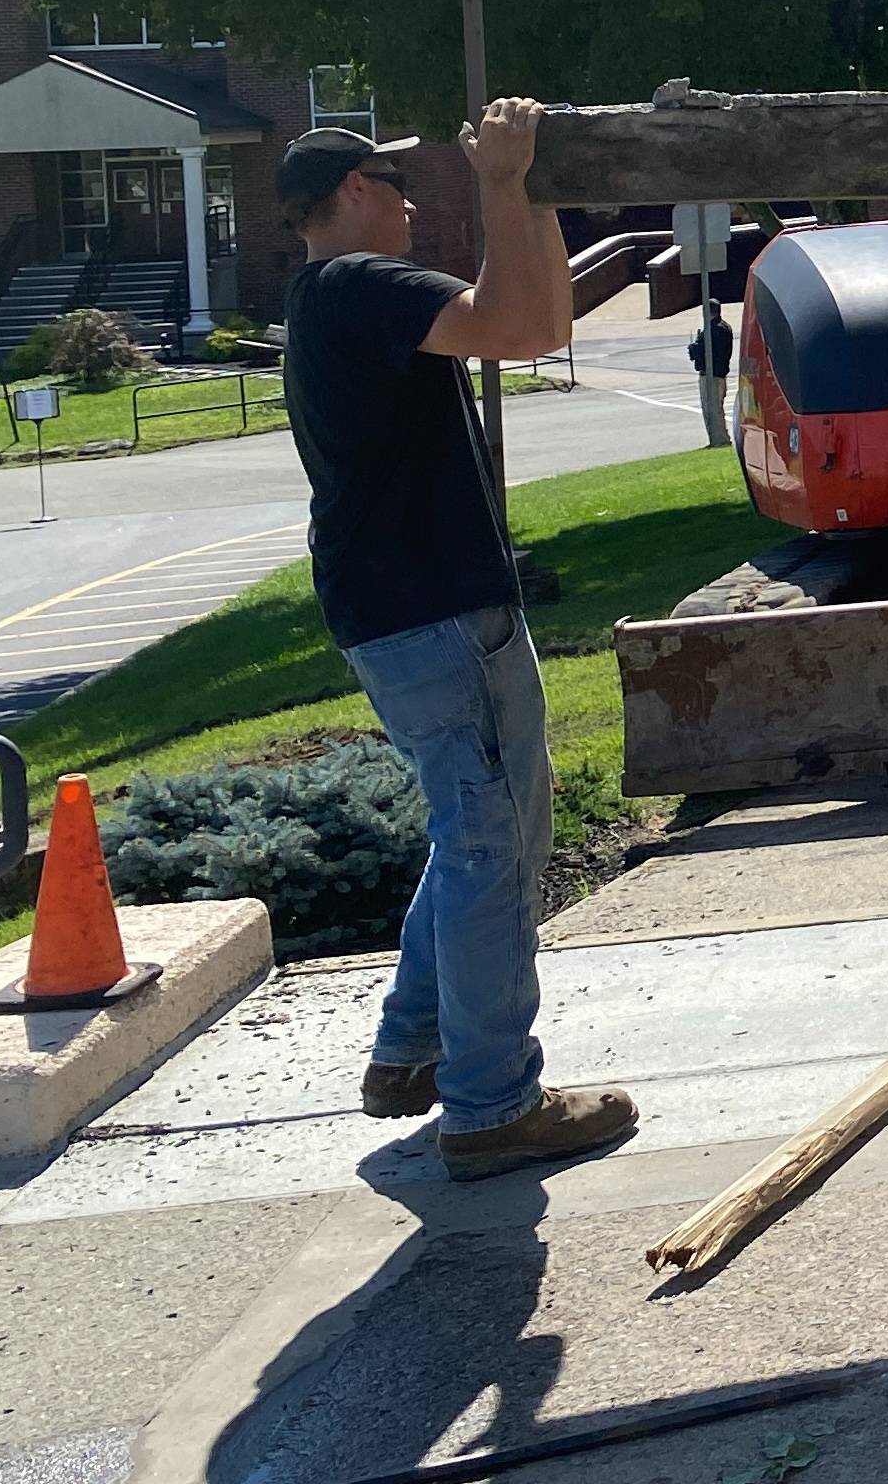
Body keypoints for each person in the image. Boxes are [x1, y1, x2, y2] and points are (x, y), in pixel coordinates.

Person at [278, 105, 637, 1181]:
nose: (411, 201)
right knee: (491, 846)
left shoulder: (323, 299)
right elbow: (527, 330)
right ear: (350, 193)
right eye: (394, 185)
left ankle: (414, 1050)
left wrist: (529, 192)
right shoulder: (362, 286)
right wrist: (506, 183)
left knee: (477, 829)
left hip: (397, 610)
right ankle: (491, 1106)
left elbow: (536, 316)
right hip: (433, 610)